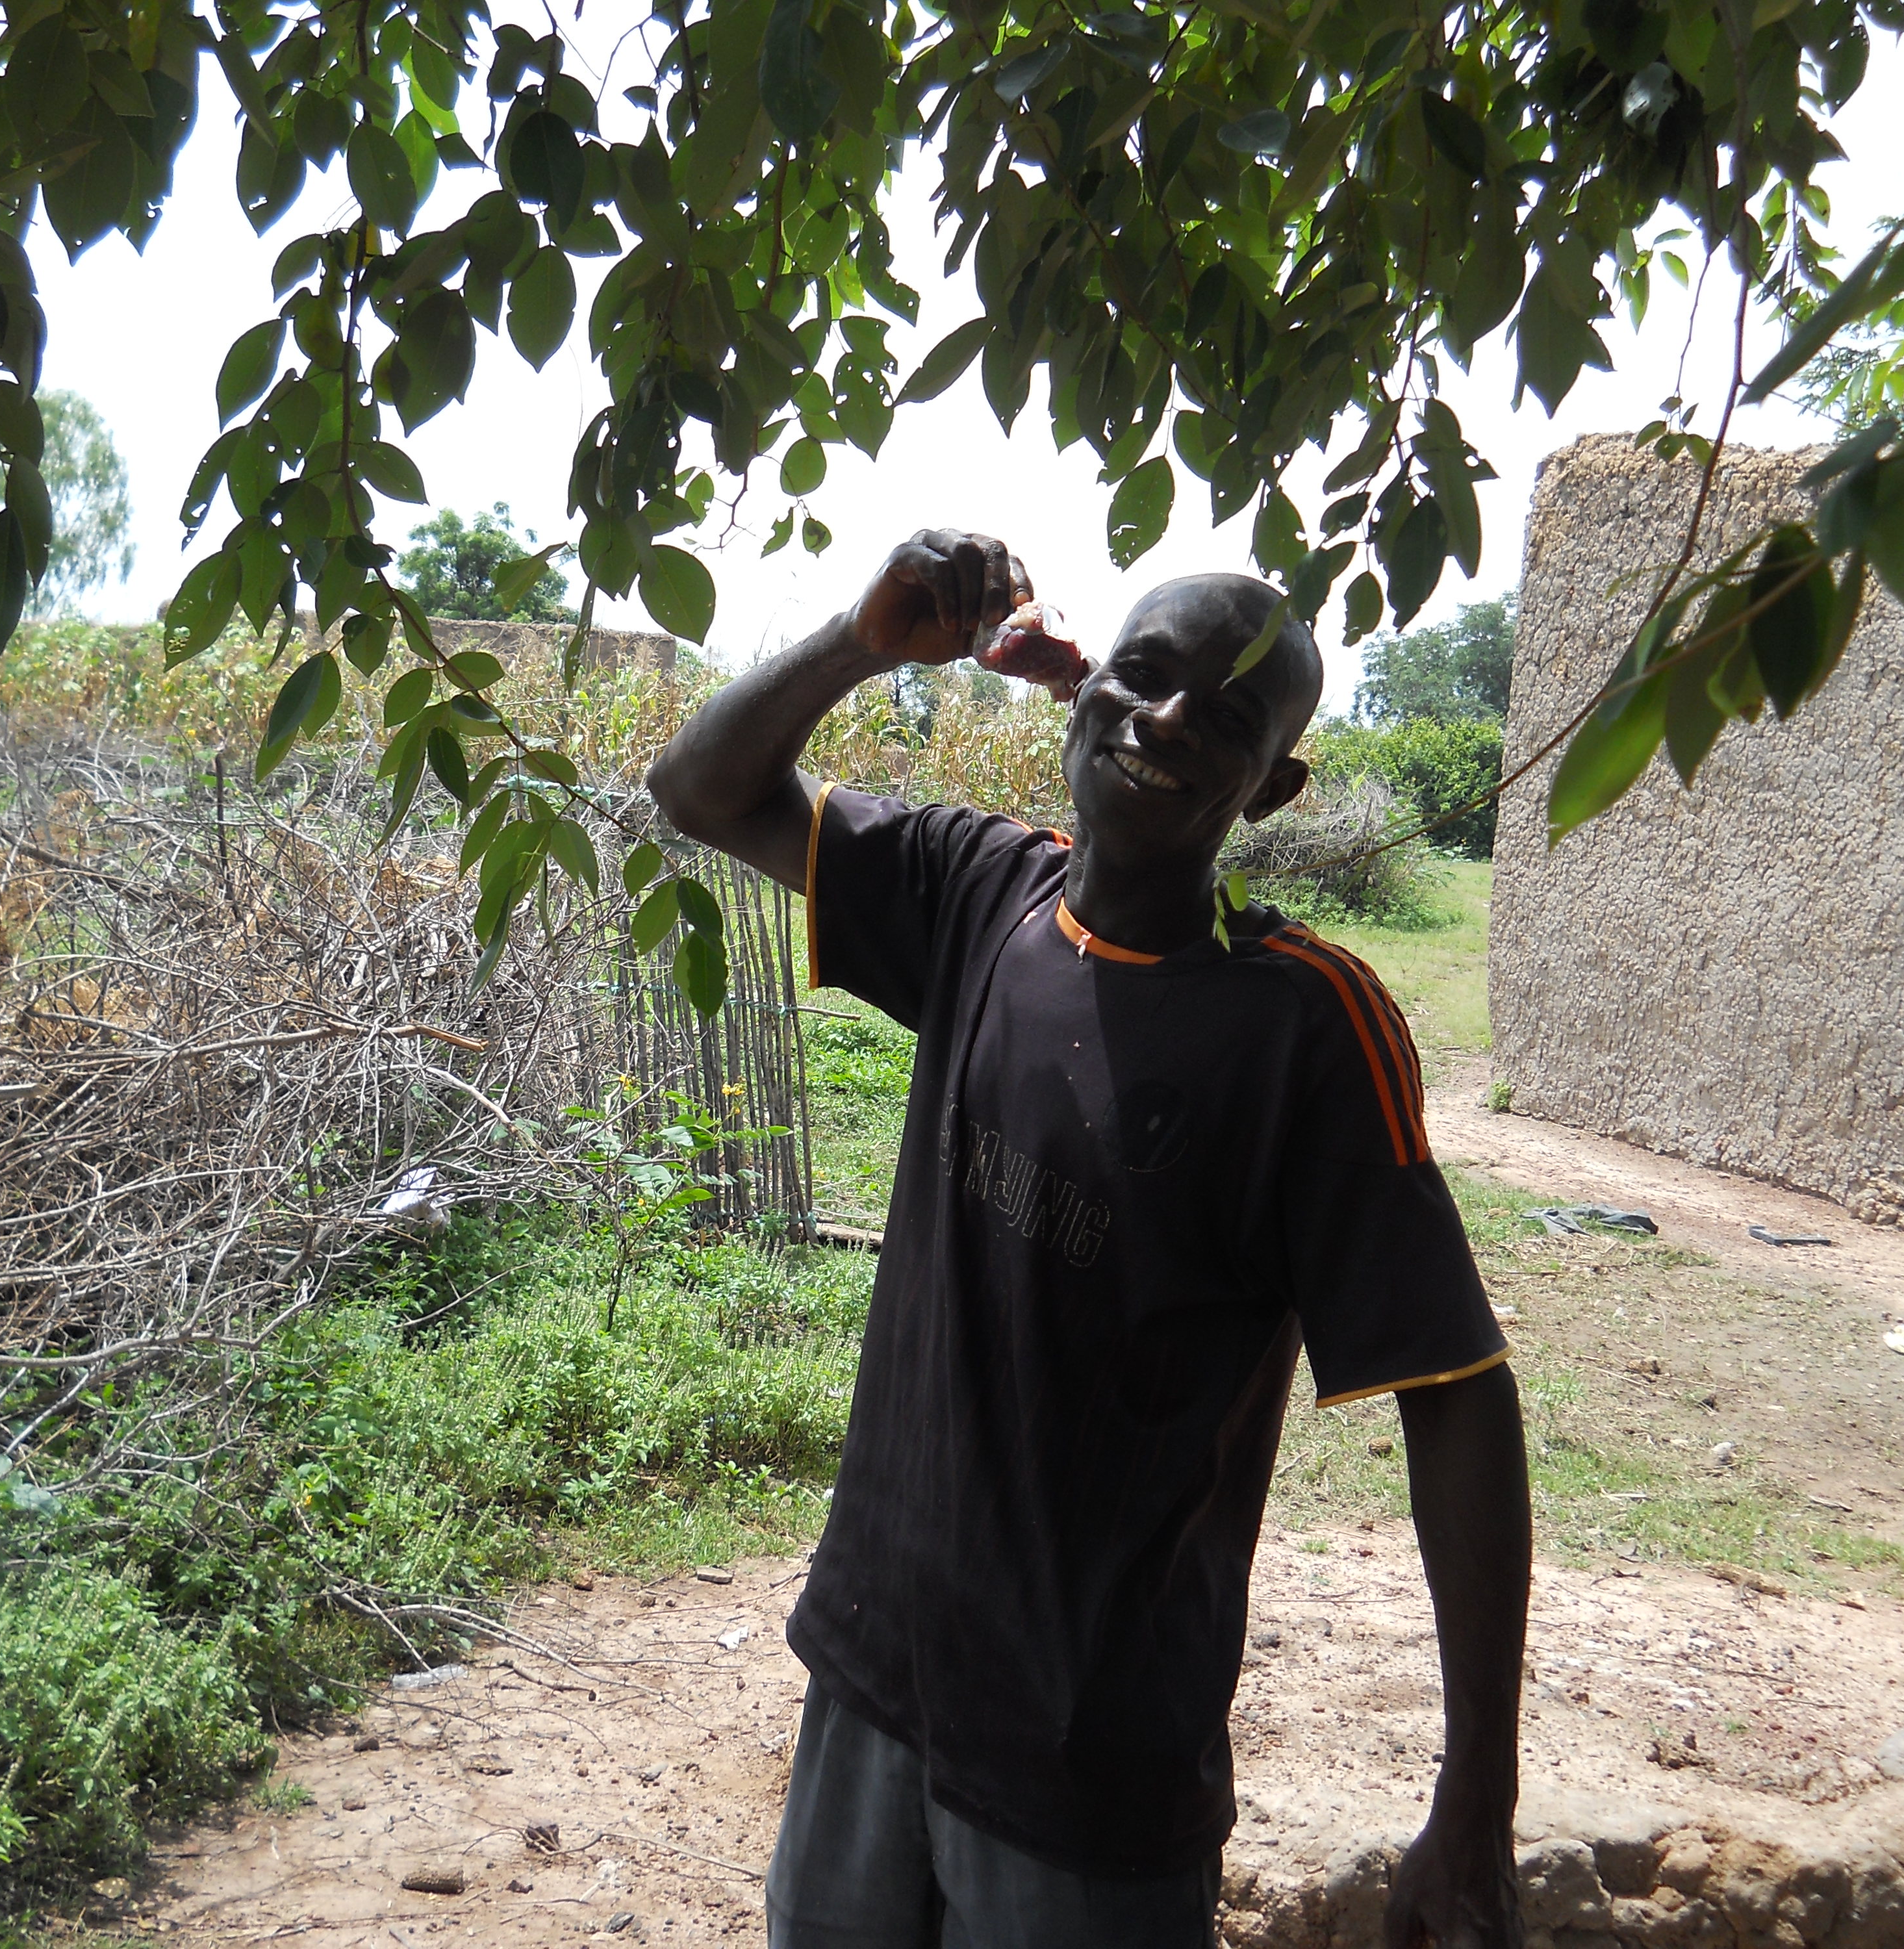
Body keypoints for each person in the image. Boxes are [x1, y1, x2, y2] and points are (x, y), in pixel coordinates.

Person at [646, 531, 1531, 1949]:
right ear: (1081, 690)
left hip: (1087, 1762)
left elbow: (1454, 1396)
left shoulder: (1302, 1025)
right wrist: (860, 644)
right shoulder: (970, 892)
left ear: (1272, 787)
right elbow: (699, 790)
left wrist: (1474, 1802)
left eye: (1227, 716)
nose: (1167, 719)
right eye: (1143, 674)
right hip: (874, 1672)